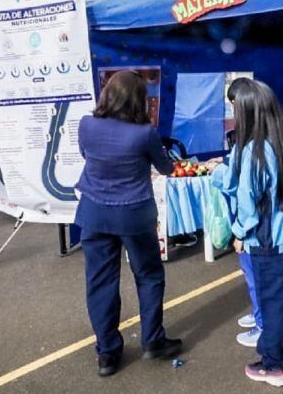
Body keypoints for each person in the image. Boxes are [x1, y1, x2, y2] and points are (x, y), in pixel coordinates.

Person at [74, 71, 182, 377]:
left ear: (108, 94)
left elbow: (86, 154)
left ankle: (107, 354)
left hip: (94, 214)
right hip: (134, 215)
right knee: (148, 276)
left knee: (100, 282)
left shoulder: (87, 124)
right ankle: (153, 341)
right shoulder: (144, 133)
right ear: (139, 100)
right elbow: (166, 167)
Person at [224, 79, 283, 387]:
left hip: (269, 243)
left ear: (248, 111)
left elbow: (248, 208)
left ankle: (272, 365)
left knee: (272, 303)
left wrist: (237, 232)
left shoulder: (255, 151)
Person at [215, 77, 266, 348]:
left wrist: (240, 233)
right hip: (273, 228)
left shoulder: (254, 145)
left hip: (255, 228)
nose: (232, 108)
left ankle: (263, 325)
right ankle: (260, 316)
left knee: (255, 275)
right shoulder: (268, 138)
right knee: (255, 277)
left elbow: (243, 191)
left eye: (234, 103)